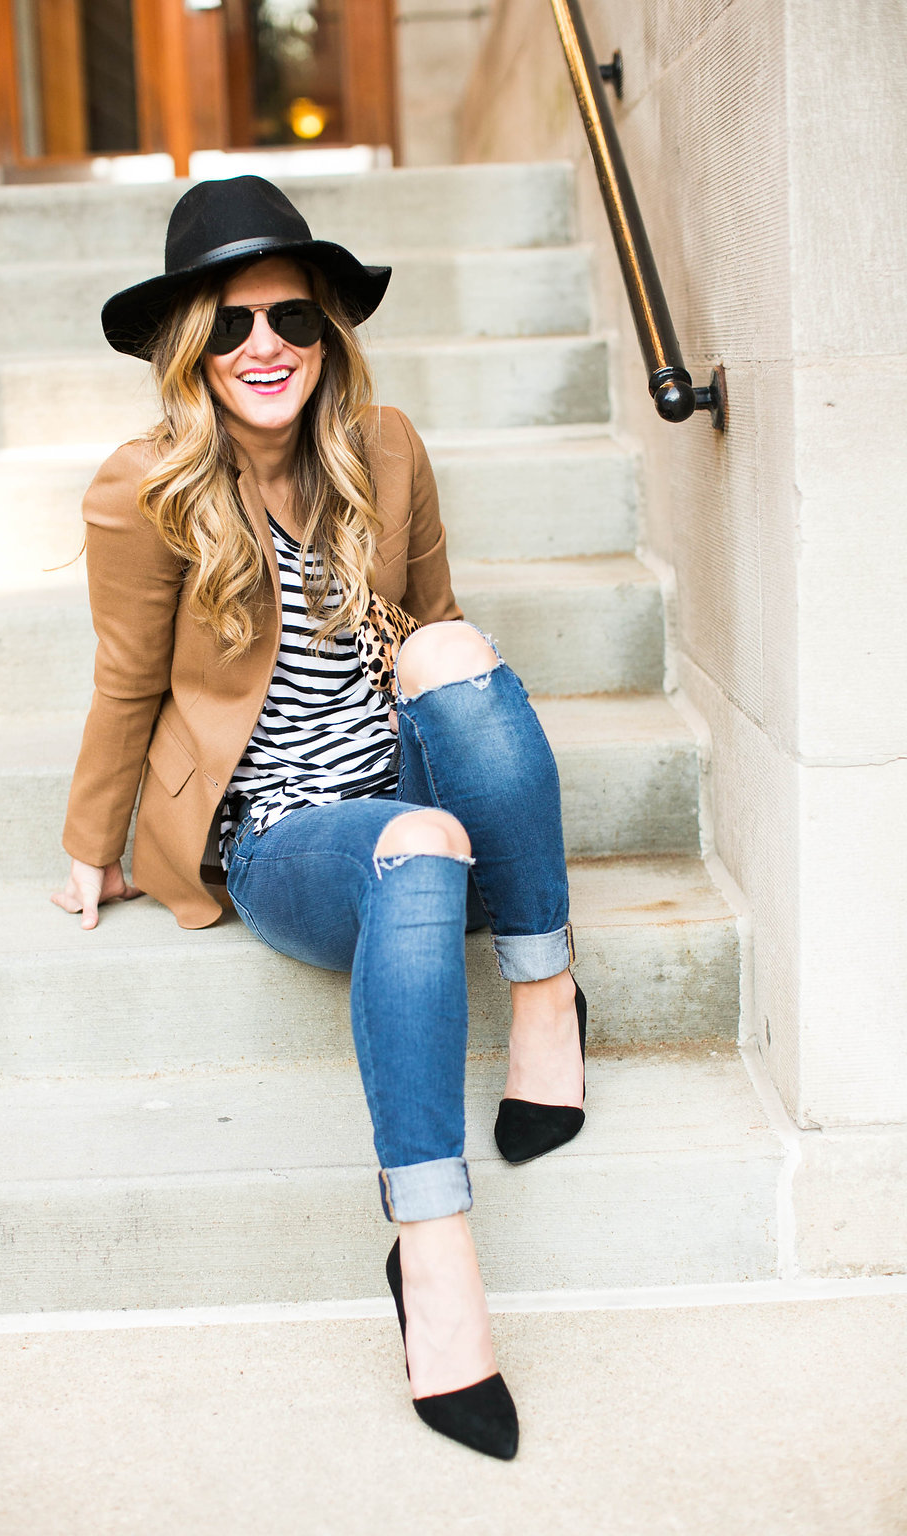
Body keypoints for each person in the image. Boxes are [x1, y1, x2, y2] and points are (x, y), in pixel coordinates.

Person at [52, 176, 587, 1461]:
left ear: (327, 329)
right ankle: (433, 1251)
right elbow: (128, 676)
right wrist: (93, 837)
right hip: (288, 833)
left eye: (289, 315)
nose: (263, 346)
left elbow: (434, 629)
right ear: (190, 344)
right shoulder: (146, 491)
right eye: (228, 325)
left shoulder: (386, 446)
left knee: (454, 654)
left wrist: (442, 686)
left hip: (403, 761)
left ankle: (544, 1001)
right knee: (415, 849)